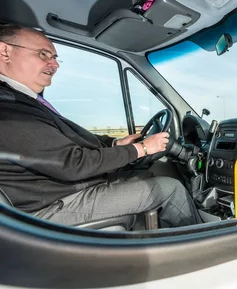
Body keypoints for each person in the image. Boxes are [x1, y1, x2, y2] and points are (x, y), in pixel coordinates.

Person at [0, 24, 200, 228]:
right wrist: (142, 148)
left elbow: (64, 144)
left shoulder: (24, 100)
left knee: (144, 176)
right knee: (169, 189)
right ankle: (207, 251)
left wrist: (116, 143)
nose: (55, 64)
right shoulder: (8, 108)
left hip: (60, 191)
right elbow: (72, 164)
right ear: (5, 51)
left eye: (54, 57)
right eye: (43, 54)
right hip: (49, 208)